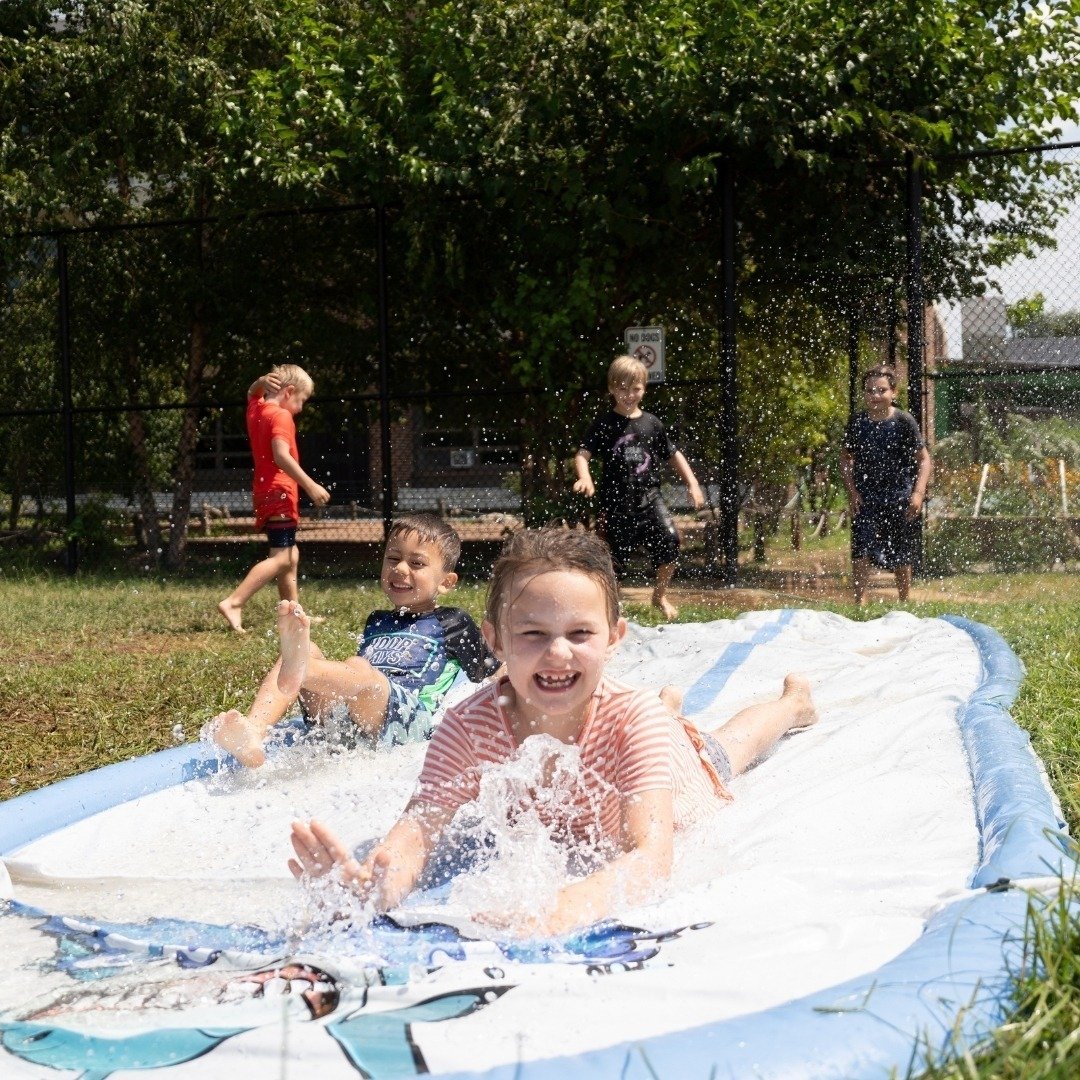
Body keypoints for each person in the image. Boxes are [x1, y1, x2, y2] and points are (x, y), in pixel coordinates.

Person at [289, 529, 817, 937]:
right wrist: (375, 885)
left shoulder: (634, 724)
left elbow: (651, 856)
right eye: (533, 633)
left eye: (580, 633)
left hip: (676, 777)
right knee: (664, 718)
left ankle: (792, 704)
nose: (558, 652)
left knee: (727, 748)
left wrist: (564, 907)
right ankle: (671, 705)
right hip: (630, 736)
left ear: (614, 638)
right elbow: (417, 833)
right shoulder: (467, 727)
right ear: (494, 641)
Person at [209, 514, 498, 767]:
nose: (400, 569)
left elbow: (493, 673)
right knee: (310, 651)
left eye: (417, 563)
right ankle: (253, 733)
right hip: (352, 722)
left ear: (446, 582)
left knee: (360, 668)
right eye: (393, 559)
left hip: (410, 723)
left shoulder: (453, 622)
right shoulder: (376, 620)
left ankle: (302, 669)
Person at [573, 354, 705, 621]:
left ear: (644, 389)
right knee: (613, 561)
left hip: (650, 498)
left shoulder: (652, 424)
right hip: (615, 503)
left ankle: (659, 596)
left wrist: (692, 483)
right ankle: (614, 609)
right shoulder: (604, 424)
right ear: (611, 388)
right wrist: (585, 477)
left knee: (669, 541)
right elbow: (582, 454)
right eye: (622, 388)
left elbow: (674, 454)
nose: (629, 394)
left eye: (635, 388)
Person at [218, 365, 331, 633]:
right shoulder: (281, 416)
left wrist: (259, 381)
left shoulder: (257, 409)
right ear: (289, 391)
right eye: (301, 400)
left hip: (265, 491)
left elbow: (251, 393)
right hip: (280, 491)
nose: (301, 408)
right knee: (281, 558)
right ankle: (235, 602)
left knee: (291, 556)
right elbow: (282, 455)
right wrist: (310, 484)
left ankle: (293, 613)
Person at [840, 366, 933, 605]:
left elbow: (924, 460)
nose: (875, 395)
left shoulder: (903, 421)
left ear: (894, 392)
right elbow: (846, 457)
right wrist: (852, 491)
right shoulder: (858, 422)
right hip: (866, 497)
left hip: (899, 496)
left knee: (901, 553)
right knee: (861, 549)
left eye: (881, 390)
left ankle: (904, 601)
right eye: (870, 391)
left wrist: (918, 494)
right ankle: (859, 602)